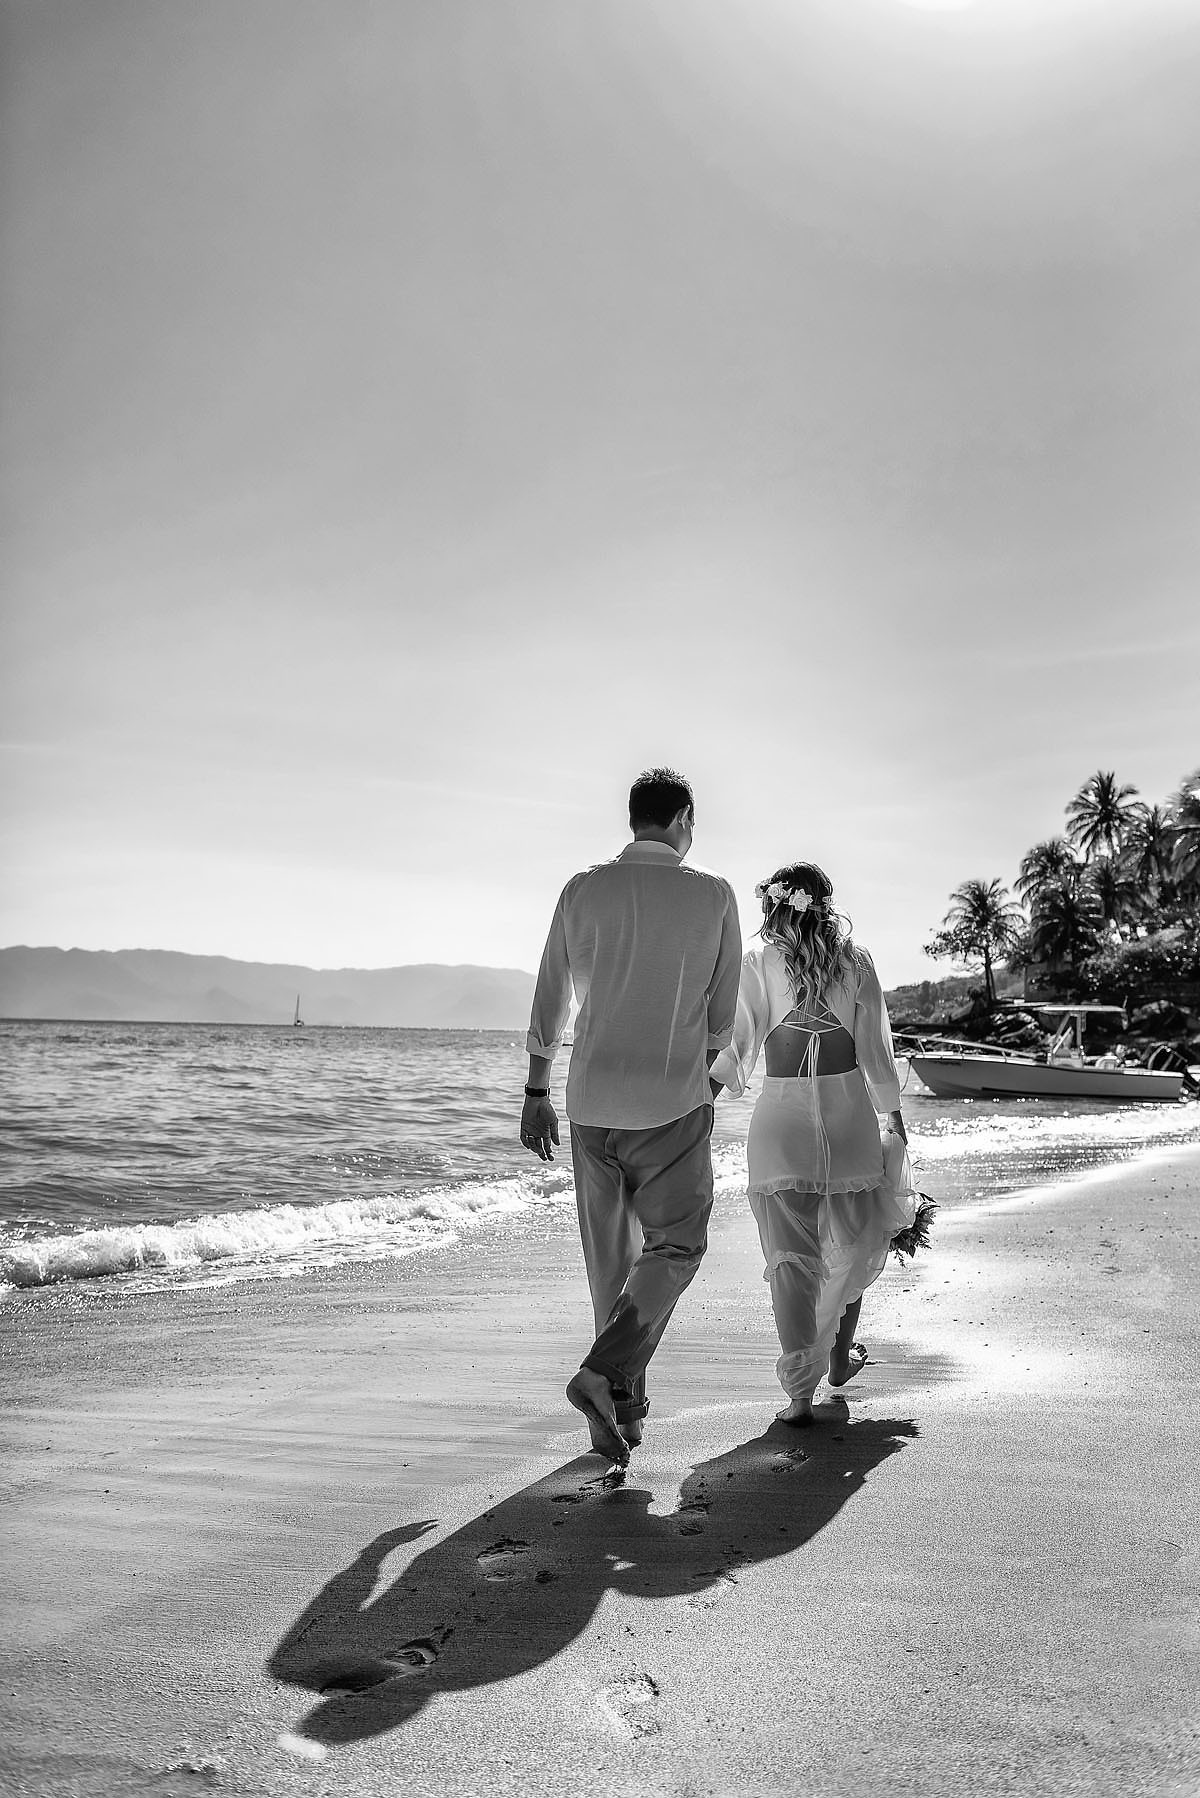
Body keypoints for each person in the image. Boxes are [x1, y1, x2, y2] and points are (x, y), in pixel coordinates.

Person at [520, 768, 742, 1466]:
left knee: (609, 1265)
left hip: (590, 1104)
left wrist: (535, 1092)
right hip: (671, 1100)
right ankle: (603, 1375)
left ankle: (622, 1409)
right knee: (676, 1248)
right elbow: (721, 1013)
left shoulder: (582, 887)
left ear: (633, 818)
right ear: (683, 817)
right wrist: (700, 1064)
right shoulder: (712, 894)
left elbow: (551, 994)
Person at [709, 861, 911, 1426]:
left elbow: (738, 1043)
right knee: (853, 1241)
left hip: (782, 1122)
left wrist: (701, 1102)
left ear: (774, 905)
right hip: (849, 1119)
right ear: (825, 903)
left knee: (790, 1257)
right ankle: (840, 1358)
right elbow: (875, 1053)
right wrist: (892, 1113)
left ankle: (800, 1391)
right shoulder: (857, 962)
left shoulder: (758, 961)